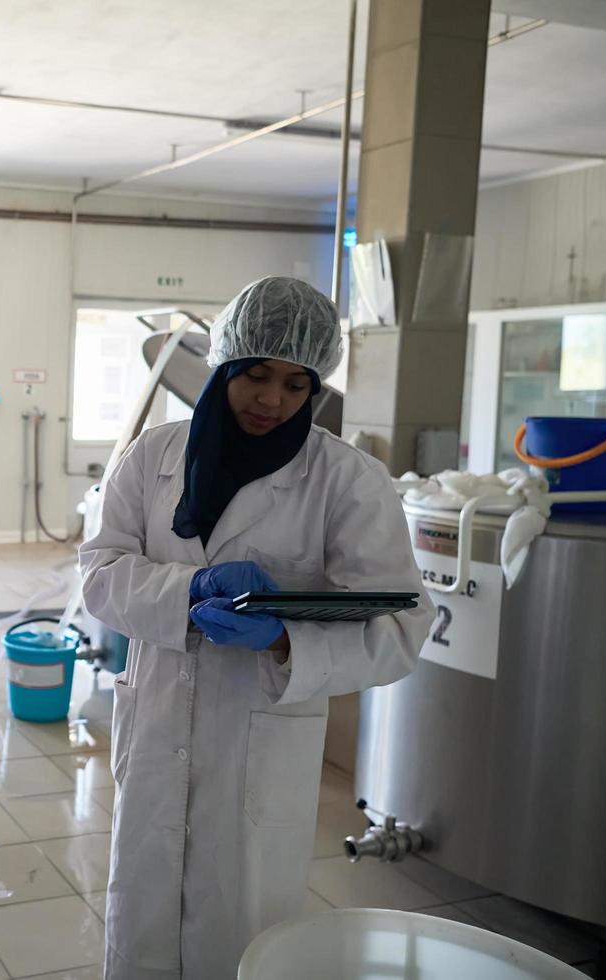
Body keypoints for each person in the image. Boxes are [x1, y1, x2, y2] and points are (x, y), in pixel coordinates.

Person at [79, 277, 434, 979]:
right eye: (256, 376)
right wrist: (189, 590)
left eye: (298, 384)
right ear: (223, 365)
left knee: (240, 938)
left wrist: (282, 639)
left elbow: (400, 631)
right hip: (155, 732)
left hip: (259, 748)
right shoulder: (154, 456)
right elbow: (99, 571)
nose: (273, 400)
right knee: (140, 927)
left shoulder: (347, 481)